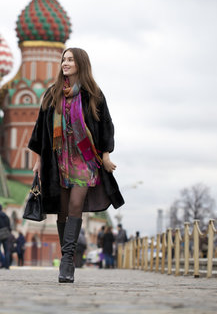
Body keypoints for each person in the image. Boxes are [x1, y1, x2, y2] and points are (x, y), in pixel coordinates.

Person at [28, 47, 124, 283]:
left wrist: (106, 155)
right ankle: (66, 256)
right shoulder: (52, 94)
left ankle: (67, 260)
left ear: (81, 63)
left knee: (75, 205)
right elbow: (42, 130)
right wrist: (39, 161)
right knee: (61, 211)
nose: (65, 63)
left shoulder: (93, 94)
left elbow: (105, 126)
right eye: (63, 59)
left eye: (70, 59)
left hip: (84, 160)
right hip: (57, 160)